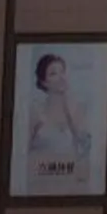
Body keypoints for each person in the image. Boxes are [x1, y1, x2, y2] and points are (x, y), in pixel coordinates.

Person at [22, 52, 94, 189]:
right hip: (40, 182)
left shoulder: (78, 109)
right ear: (44, 82)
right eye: (53, 74)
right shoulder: (36, 110)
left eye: (63, 71)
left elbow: (84, 145)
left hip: (69, 183)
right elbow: (23, 151)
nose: (61, 77)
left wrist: (67, 103)